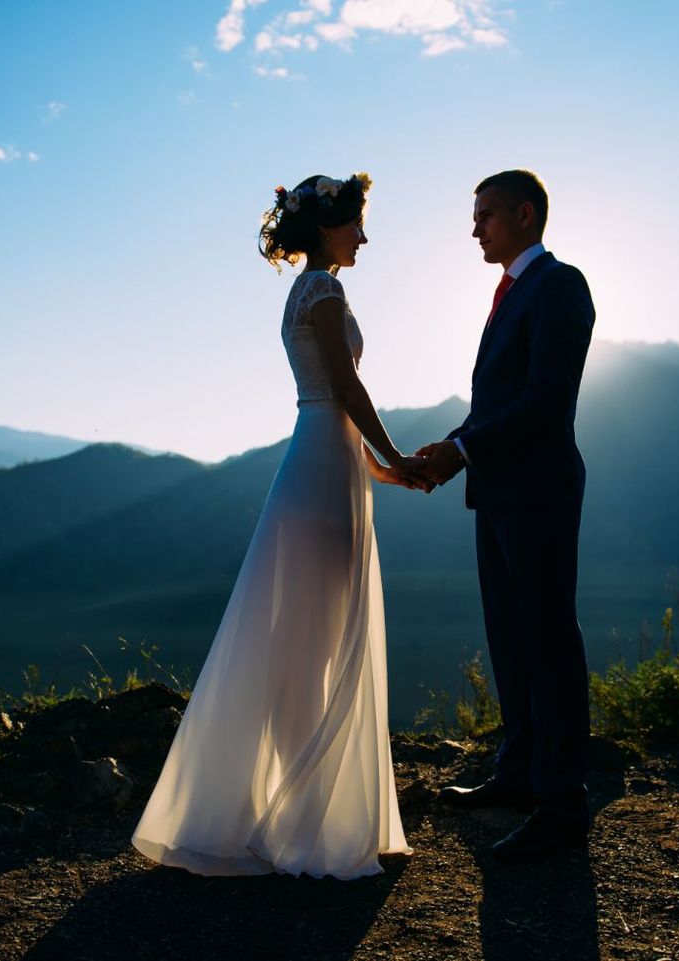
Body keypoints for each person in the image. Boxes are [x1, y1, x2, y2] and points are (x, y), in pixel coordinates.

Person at [131, 172, 425, 879]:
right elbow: (345, 389)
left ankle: (303, 809)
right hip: (324, 474)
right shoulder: (324, 292)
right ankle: (304, 818)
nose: (364, 236)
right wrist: (396, 454)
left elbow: (334, 405)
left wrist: (390, 472)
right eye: (357, 222)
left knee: (310, 640)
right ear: (328, 226)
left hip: (326, 464)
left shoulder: (309, 291)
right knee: (316, 640)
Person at [413, 169, 597, 863]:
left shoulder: (560, 285)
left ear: (524, 214)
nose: (475, 227)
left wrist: (462, 449)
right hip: (498, 492)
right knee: (511, 638)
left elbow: (548, 398)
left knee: (549, 640)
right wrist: (452, 447)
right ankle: (518, 773)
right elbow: (496, 402)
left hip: (540, 491)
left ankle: (561, 806)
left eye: (485, 214)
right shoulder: (510, 295)